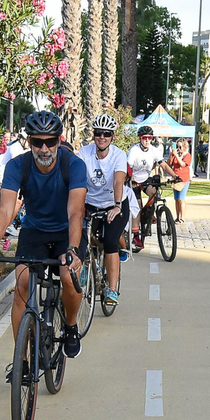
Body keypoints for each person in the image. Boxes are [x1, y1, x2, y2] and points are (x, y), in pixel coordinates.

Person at [0, 110, 86, 361]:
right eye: (38, 142)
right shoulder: (18, 165)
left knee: (68, 277)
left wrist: (72, 250)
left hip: (66, 231)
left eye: (50, 141)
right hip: (34, 230)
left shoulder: (74, 165)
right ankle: (21, 361)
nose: (44, 148)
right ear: (29, 142)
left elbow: (76, 211)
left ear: (60, 140)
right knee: (23, 284)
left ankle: (70, 327)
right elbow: (5, 208)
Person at [77, 114, 129, 308]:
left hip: (114, 203)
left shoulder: (118, 155)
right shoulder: (84, 153)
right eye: (99, 133)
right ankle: (84, 267)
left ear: (112, 137)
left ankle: (112, 289)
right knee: (81, 236)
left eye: (106, 134)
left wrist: (116, 205)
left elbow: (118, 180)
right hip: (90, 203)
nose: (102, 137)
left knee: (110, 242)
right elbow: (77, 180)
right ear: (93, 135)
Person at [127, 126, 165, 252]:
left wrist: (175, 176)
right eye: (144, 138)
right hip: (134, 180)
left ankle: (149, 213)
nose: (147, 140)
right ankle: (136, 237)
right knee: (137, 207)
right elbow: (129, 167)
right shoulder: (134, 150)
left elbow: (163, 164)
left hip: (145, 179)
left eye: (150, 138)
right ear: (140, 139)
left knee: (154, 192)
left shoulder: (154, 150)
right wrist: (131, 180)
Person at [167, 139, 192, 223]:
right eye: (177, 147)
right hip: (175, 179)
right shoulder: (176, 154)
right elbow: (169, 163)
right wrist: (171, 155)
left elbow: (182, 164)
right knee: (177, 199)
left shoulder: (187, 155)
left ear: (185, 147)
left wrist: (176, 156)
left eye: (180, 147)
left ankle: (182, 217)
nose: (179, 149)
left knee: (181, 199)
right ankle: (177, 217)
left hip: (184, 179)